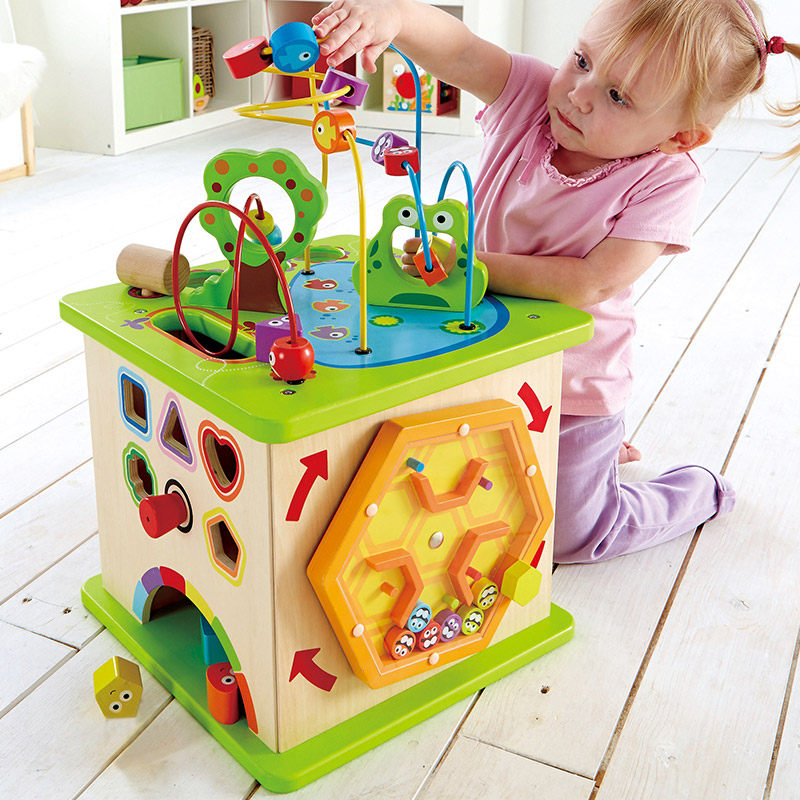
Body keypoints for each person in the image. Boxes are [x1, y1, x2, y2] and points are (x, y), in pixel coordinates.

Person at [311, 0, 799, 562]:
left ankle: (697, 492)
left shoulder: (668, 179)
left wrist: (469, 268)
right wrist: (394, 16)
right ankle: (592, 460)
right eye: (582, 60)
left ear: (679, 138)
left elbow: (592, 282)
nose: (577, 93)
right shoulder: (532, 99)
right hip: (472, 351)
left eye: (617, 96)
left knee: (570, 536)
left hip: (572, 386)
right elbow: (461, 51)